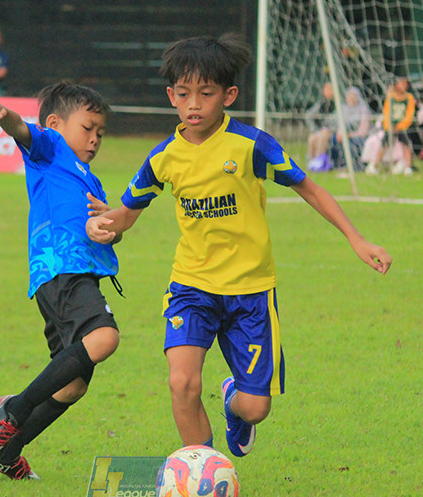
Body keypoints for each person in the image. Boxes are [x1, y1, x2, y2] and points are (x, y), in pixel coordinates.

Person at [86, 34, 392, 459]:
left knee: (255, 407)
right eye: (185, 94)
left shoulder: (252, 145)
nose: (194, 104)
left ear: (228, 95)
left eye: (206, 94)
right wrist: (105, 225)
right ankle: (200, 473)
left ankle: (234, 401)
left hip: (250, 291)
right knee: (182, 382)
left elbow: (311, 189)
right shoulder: (163, 157)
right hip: (191, 286)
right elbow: (127, 213)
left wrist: (357, 239)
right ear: (171, 96)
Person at [0, 83, 119, 481]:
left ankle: (5, 452)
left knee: (71, 387)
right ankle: (14, 411)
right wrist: (0, 112)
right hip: (61, 269)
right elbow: (21, 129)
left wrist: (110, 225)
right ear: (55, 123)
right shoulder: (50, 148)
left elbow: (105, 231)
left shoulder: (90, 179)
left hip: (75, 275)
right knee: (105, 338)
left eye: (100, 133)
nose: (94, 139)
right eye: (88, 128)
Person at [379, 76, 416, 175]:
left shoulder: (409, 98)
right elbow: (386, 113)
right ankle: (374, 165)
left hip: (403, 127)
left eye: (405, 84)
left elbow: (410, 114)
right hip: (391, 126)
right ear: (396, 85)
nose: (404, 86)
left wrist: (400, 126)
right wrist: (389, 126)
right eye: (401, 83)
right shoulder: (391, 97)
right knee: (384, 144)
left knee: (406, 145)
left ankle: (408, 167)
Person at [330, 85, 372, 169]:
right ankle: (337, 164)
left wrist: (350, 135)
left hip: (359, 136)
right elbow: (340, 125)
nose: (351, 99)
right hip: (345, 135)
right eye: (349, 96)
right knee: (334, 140)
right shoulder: (344, 109)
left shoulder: (363, 110)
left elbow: (363, 131)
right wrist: (340, 134)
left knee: (351, 142)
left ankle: (355, 166)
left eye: (353, 96)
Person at [305, 82, 336, 167]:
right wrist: (315, 129)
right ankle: (311, 162)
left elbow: (339, 121)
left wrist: (330, 129)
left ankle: (319, 162)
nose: (328, 92)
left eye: (330, 90)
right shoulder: (321, 103)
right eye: (326, 90)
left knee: (323, 137)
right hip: (320, 130)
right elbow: (308, 116)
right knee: (312, 138)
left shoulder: (338, 104)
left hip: (332, 131)